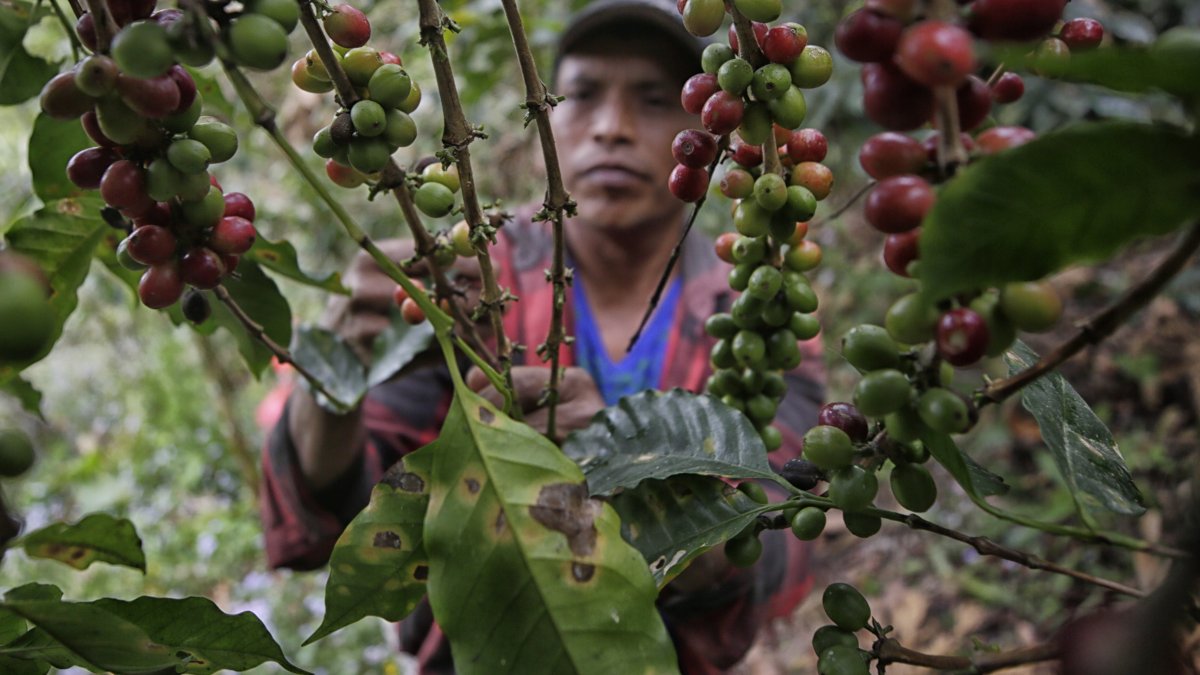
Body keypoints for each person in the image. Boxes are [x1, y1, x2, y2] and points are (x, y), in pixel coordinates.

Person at [260, 0, 825, 671]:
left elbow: (779, 544)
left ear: (709, 130)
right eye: (583, 94)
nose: (612, 128)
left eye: (652, 100)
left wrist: (633, 475)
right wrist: (339, 373)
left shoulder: (754, 303)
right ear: (546, 113)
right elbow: (338, 514)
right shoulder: (472, 281)